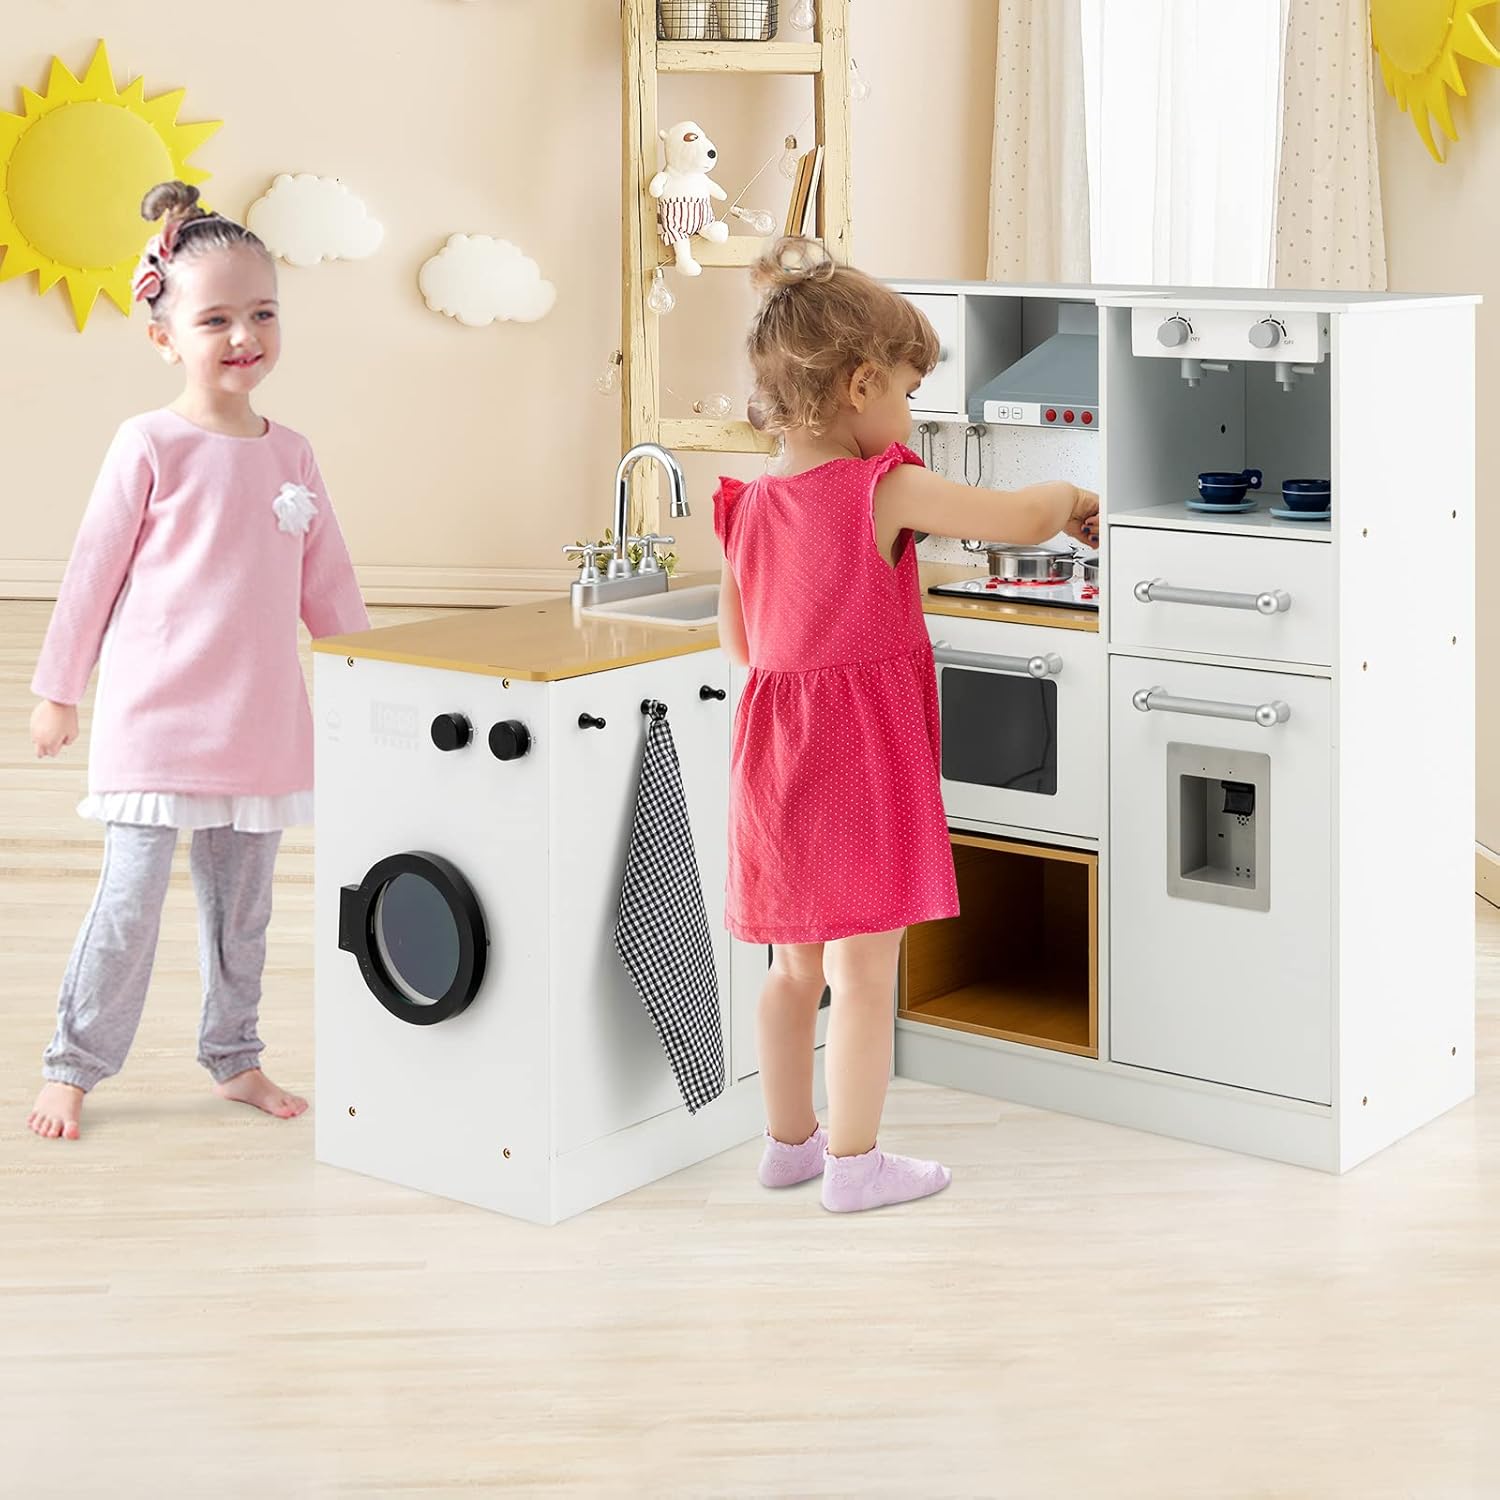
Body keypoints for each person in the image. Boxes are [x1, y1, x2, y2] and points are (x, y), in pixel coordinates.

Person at [714, 238, 1098, 1212]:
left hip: (773, 758)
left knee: (792, 967)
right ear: (862, 385)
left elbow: (739, 638)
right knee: (867, 973)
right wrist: (1071, 501)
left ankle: (787, 1144)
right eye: (911, 397)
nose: (911, 417)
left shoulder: (751, 505)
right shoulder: (878, 487)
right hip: (858, 757)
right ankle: (856, 1165)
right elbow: (1008, 516)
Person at [25, 180, 369, 1141]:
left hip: (259, 724)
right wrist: (60, 691)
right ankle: (74, 1065)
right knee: (129, 907)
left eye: (262, 313)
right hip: (157, 721)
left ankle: (235, 1055)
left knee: (243, 914)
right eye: (215, 318)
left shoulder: (291, 453)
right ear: (164, 335)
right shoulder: (149, 444)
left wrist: (373, 678)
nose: (243, 335)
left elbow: (329, 583)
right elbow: (91, 575)